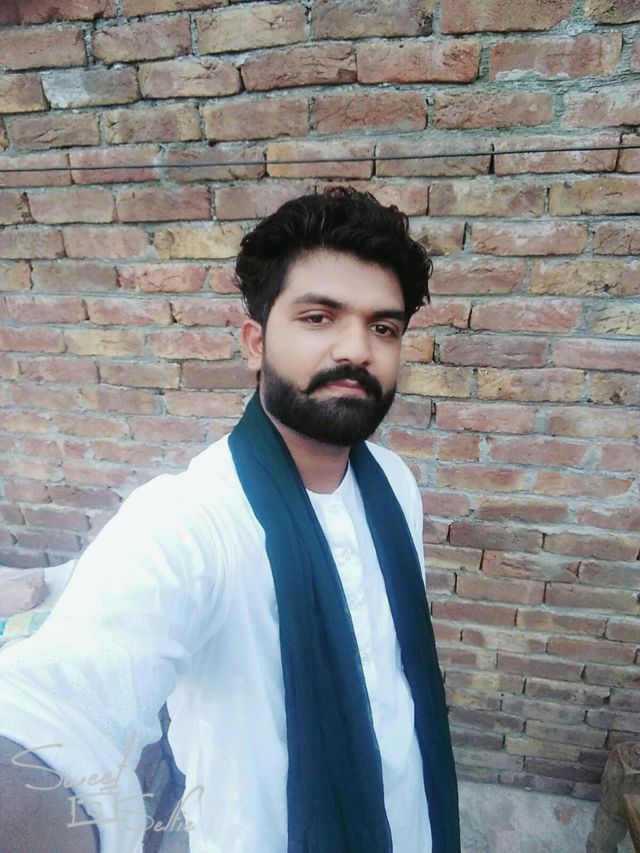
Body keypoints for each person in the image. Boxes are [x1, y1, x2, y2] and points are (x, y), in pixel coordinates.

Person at [0, 188, 459, 853]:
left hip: (413, 816)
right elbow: (59, 705)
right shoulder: (190, 519)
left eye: (383, 328)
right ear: (255, 342)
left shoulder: (396, 484)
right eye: (318, 317)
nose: (357, 348)